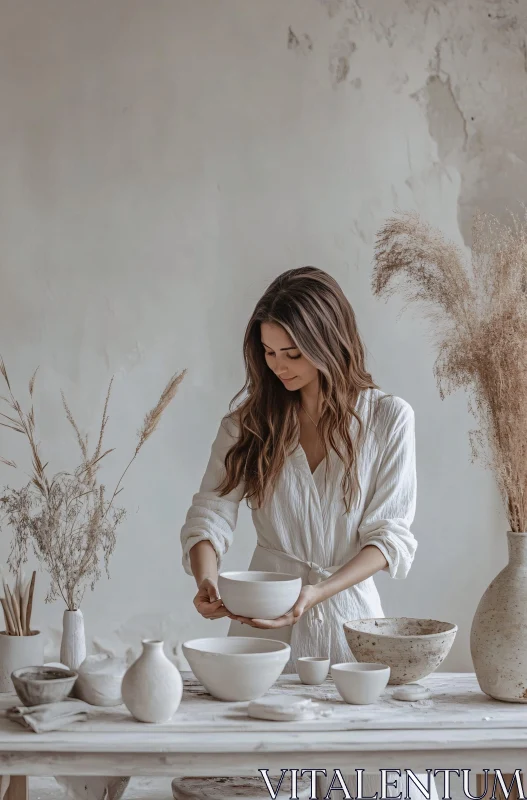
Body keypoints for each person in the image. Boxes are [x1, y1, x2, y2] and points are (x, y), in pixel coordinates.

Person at [180, 266, 436, 799]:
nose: (280, 367)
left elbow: (389, 537)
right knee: (254, 781)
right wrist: (207, 580)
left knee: (358, 780)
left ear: (330, 339)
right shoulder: (248, 424)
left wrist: (317, 592)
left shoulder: (389, 419)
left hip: (352, 626)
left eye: (293, 353)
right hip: (260, 629)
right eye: (270, 353)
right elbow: (211, 512)